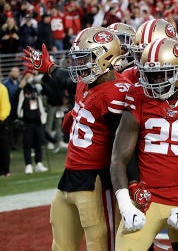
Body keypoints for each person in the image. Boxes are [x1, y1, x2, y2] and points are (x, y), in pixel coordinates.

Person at [23, 27, 128, 251]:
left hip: (96, 181)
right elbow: (65, 80)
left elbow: (122, 149)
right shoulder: (87, 81)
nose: (79, 65)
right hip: (69, 176)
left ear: (105, 57)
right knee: (61, 241)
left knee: (100, 242)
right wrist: (49, 67)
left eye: (85, 58)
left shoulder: (116, 93)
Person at [110, 37, 178, 250]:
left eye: (162, 74)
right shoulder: (138, 95)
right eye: (149, 74)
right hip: (146, 200)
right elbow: (118, 158)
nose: (154, 81)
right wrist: (125, 205)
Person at [16, 70, 48, 174]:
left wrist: (36, 79)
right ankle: (28, 165)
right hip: (27, 121)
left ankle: (39, 163)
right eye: (28, 76)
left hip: (38, 120)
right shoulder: (22, 90)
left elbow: (45, 90)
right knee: (27, 144)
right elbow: (15, 100)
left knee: (38, 142)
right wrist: (21, 86)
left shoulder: (36, 88)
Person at [0, 82, 11, 177]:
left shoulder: (2, 88)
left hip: (1, 121)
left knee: (3, 146)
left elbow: (5, 106)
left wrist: (2, 118)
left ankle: (6, 169)